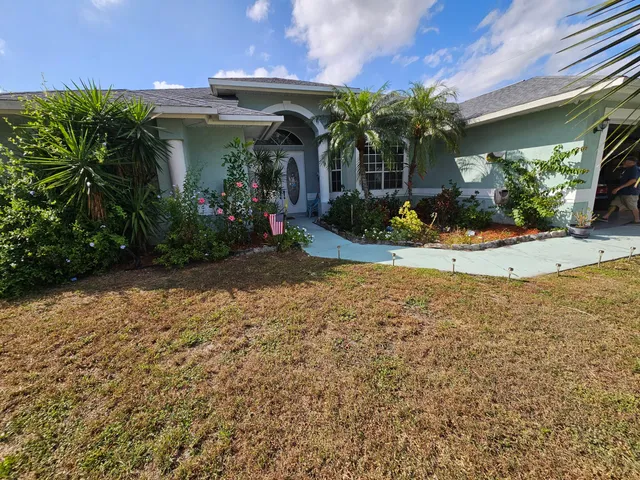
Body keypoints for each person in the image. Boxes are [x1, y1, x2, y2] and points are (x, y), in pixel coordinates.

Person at [600, 156, 640, 224]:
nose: (623, 162)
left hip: (630, 192)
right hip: (623, 192)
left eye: (626, 161)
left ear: (631, 162)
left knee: (633, 206)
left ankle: (637, 220)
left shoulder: (634, 169)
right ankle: (606, 216)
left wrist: (619, 188)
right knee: (614, 203)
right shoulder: (627, 169)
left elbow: (633, 180)